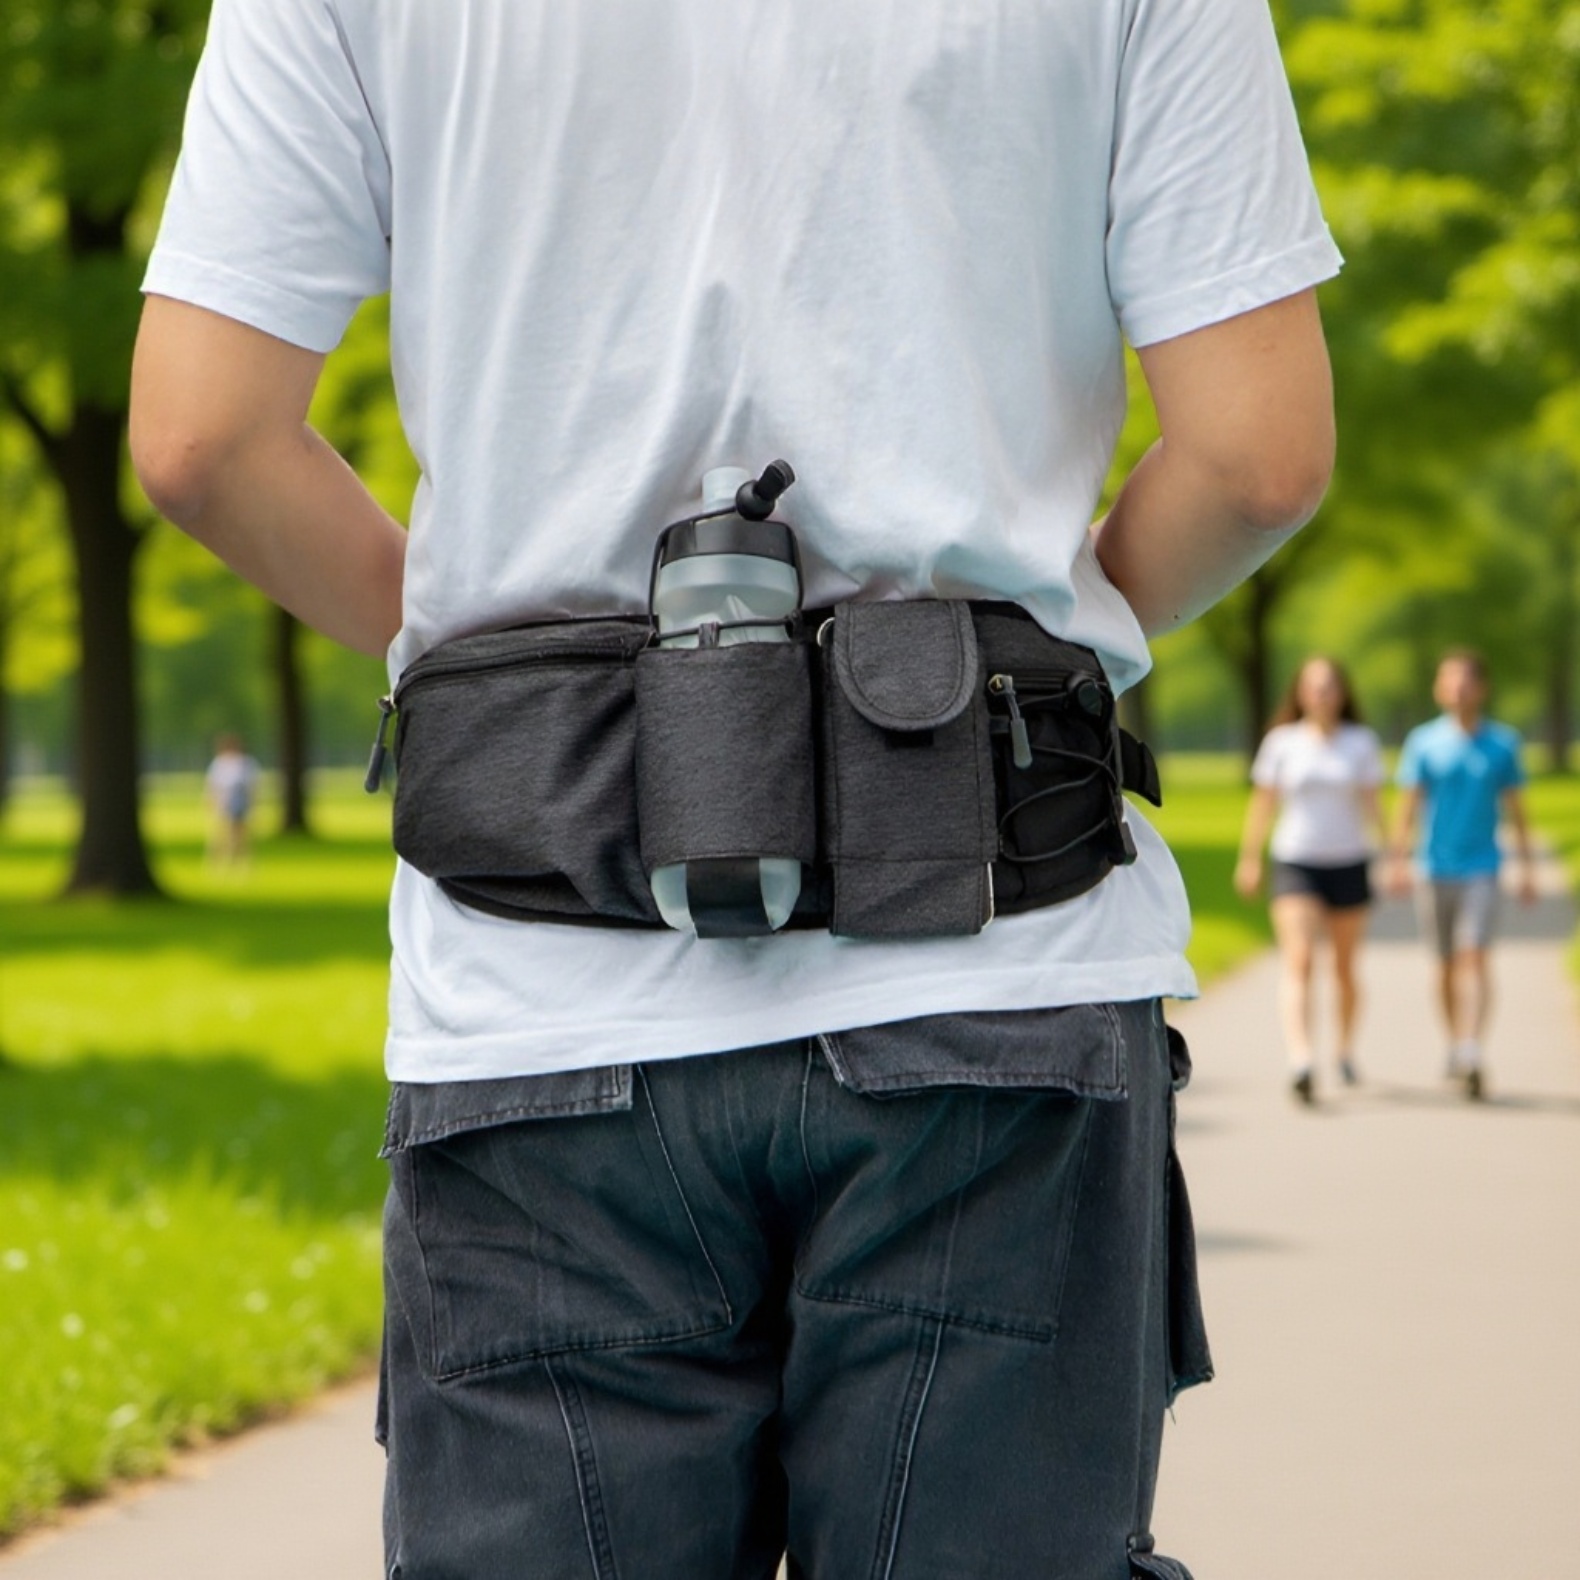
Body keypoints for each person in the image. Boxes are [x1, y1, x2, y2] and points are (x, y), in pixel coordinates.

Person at [128, 1, 1340, 1574]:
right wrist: (1005, 660)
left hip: (544, 978)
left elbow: (202, 438)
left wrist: (513, 691)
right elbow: (1259, 457)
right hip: (989, 961)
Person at [1235, 657, 1386, 1104]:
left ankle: (1344, 1049)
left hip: (1348, 862)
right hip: (1295, 862)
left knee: (1343, 969)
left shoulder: (1360, 743)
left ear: (1343, 693)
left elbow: (1373, 804)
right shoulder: (1282, 742)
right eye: (1313, 687)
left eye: (1329, 686)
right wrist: (1250, 859)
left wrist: (1396, 852)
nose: (1322, 694)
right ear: (1300, 694)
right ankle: (1301, 1058)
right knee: (1299, 959)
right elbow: (1262, 804)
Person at [1390, 649, 1535, 1101]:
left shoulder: (1503, 745)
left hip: (1482, 868)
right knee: (1445, 965)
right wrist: (1396, 858)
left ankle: (1472, 1049)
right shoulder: (1424, 742)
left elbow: (1516, 810)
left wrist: (1527, 865)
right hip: (1435, 868)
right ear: (1439, 688)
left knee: (1474, 956)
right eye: (1449, 680)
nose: (1457, 688)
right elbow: (1409, 803)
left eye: (1466, 681)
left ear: (1482, 688)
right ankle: (1455, 1043)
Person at [204, 731, 261, 867]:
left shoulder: (245, 763)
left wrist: (253, 803)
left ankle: (239, 863)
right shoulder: (220, 763)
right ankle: (217, 863)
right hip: (224, 798)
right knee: (221, 833)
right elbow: (213, 785)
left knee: (240, 834)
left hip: (240, 799)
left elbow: (252, 785)